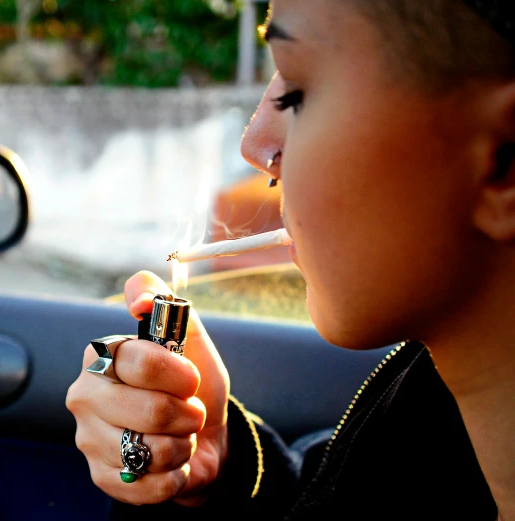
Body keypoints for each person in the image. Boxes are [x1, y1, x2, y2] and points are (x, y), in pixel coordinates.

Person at [65, 0, 515, 519]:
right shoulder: (422, 418)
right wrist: (218, 475)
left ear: (504, 160)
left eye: (297, 93)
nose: (256, 147)